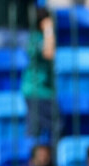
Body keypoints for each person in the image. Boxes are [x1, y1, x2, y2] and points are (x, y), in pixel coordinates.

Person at [21, 8, 57, 143]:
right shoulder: (36, 38)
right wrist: (49, 29)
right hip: (37, 91)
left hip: (42, 91)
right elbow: (49, 53)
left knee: (37, 129)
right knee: (54, 126)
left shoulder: (39, 37)